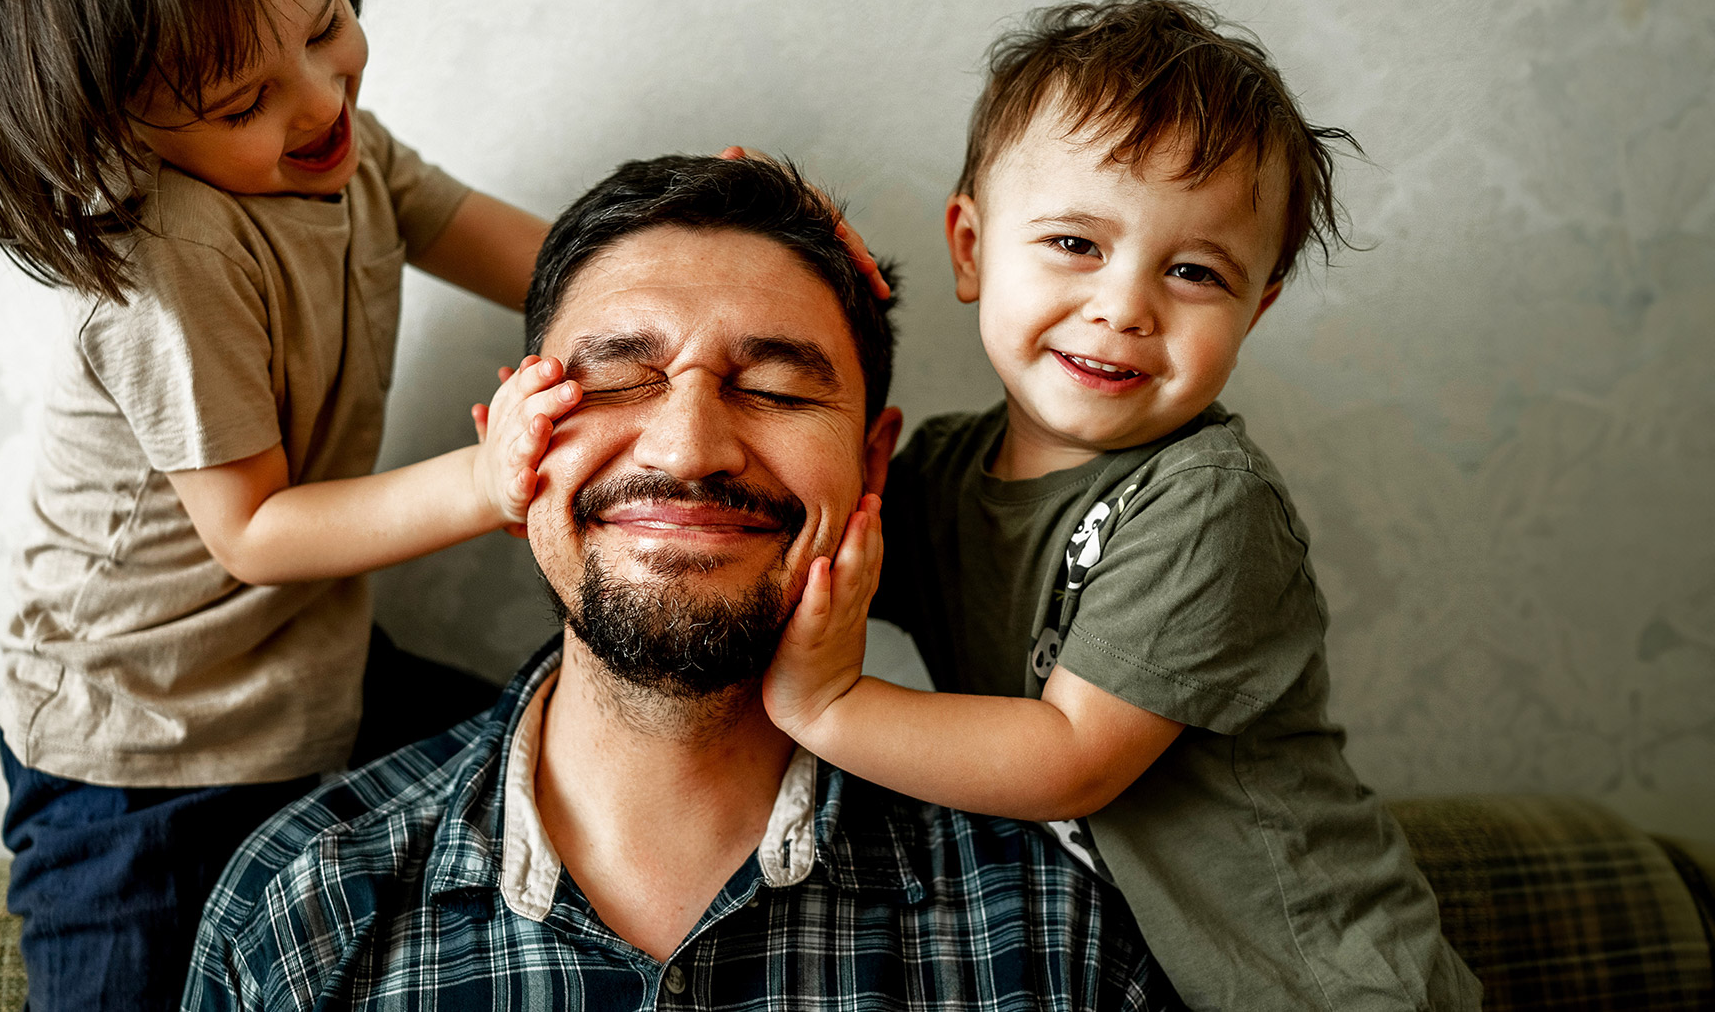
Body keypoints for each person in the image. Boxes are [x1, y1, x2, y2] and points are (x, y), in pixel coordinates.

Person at [182, 154, 1183, 1011]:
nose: (689, 447)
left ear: (874, 463)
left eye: (776, 388)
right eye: (616, 377)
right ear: (508, 443)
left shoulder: (1050, 932)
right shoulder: (301, 910)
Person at [759, 0, 1482, 1009]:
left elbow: (1069, 760)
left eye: (1192, 271)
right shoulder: (934, 476)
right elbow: (786, 528)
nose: (1123, 306)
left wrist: (829, 706)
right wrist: (770, 261)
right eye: (1073, 244)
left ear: (1254, 304)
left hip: (1331, 987)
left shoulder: (1204, 502)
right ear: (969, 248)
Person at [0, 0, 581, 1007]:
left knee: (562, 763)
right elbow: (256, 534)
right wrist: (485, 479)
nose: (323, 100)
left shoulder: (342, 145)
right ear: (116, 123)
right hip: (140, 749)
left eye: (325, 25)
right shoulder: (164, 265)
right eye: (241, 102)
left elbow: (527, 255)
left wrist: (686, 243)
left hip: (307, 675)